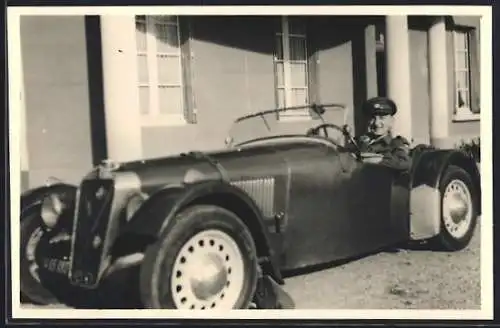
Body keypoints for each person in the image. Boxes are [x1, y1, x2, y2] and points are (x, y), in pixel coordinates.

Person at [346, 97, 411, 171]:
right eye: (372, 118)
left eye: (382, 118)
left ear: (391, 121)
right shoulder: (357, 142)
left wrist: (379, 160)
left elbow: (405, 163)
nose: (376, 123)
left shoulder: (396, 143)